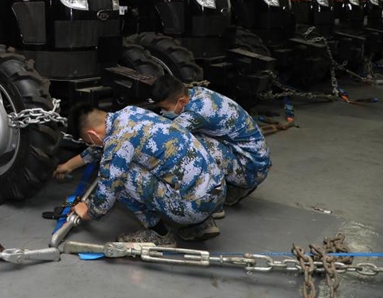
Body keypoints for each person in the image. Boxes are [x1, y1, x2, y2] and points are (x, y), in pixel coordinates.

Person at [54, 104, 226, 244]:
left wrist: (88, 210)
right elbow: (103, 147)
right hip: (217, 191)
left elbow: (107, 192)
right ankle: (202, 224)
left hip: (193, 206)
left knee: (121, 179)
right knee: (136, 162)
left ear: (91, 134)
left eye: (86, 140)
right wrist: (69, 165)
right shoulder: (129, 114)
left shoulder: (116, 141)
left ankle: (160, 235)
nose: (88, 144)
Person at [151, 75, 271, 212]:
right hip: (254, 158)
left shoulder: (196, 113)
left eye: (166, 108)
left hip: (251, 169)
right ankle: (233, 185)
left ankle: (211, 199)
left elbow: (165, 139)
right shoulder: (196, 93)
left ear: (182, 101)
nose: (163, 112)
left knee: (188, 145)